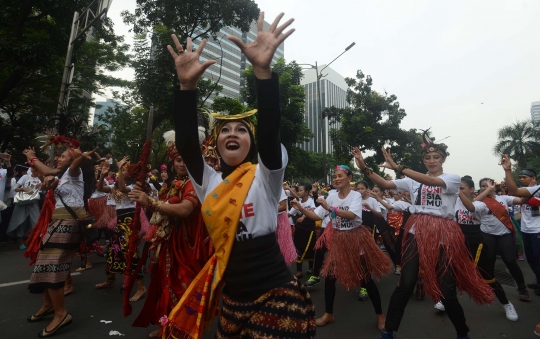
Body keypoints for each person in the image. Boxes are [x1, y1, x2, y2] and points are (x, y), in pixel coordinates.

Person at [162, 12, 315, 339]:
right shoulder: (210, 184)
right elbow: (188, 144)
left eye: (242, 130)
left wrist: (263, 72)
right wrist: (186, 88)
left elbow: (271, 135)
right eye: (225, 130)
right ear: (216, 145)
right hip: (232, 301)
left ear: (252, 143)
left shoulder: (266, 177)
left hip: (276, 296)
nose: (232, 133)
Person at [352, 132, 493, 339]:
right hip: (417, 230)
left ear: (443, 159)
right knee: (406, 283)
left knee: (447, 289)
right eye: (427, 158)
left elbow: (430, 180)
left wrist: (399, 168)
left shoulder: (452, 179)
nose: (432, 161)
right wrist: (364, 167)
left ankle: (462, 333)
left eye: (436, 157)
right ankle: (388, 330)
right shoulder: (412, 181)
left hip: (444, 233)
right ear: (423, 160)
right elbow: (385, 184)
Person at [129, 133, 211, 338]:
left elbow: (184, 209)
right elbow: (164, 200)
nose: (182, 164)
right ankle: (169, 325)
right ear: (173, 162)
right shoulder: (175, 183)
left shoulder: (195, 183)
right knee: (165, 287)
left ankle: (185, 330)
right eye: (178, 160)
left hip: (188, 245)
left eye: (186, 159)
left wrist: (151, 202)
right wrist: (146, 190)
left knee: (183, 288)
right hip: (169, 243)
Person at [291, 166, 391, 330]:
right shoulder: (331, 196)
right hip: (338, 240)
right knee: (330, 278)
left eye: (340, 176)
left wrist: (330, 209)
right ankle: (329, 314)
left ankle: (380, 316)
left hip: (355, 239)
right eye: (335, 176)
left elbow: (352, 215)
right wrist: (301, 209)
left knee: (365, 279)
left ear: (349, 177)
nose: (336, 179)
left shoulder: (355, 196)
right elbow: (316, 215)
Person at [24, 141, 97, 337]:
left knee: (53, 266)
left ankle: (61, 313)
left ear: (71, 160)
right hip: (58, 222)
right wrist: (47, 184)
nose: (59, 158)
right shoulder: (63, 176)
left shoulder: (74, 171)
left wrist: (33, 158)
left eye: (63, 156)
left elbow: (73, 163)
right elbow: (51, 180)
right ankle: (48, 305)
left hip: (67, 223)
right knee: (44, 263)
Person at [458, 178, 520, 321]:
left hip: (477, 244)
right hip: (458, 242)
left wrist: (487, 190)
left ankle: (506, 303)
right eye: (457, 188)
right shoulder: (453, 201)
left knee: (487, 276)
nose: (458, 191)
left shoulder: (483, 204)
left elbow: (471, 207)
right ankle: (444, 298)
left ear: (472, 190)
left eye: (461, 188)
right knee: (451, 271)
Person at [94, 157, 147, 302]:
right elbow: (99, 188)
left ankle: (141, 287)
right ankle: (110, 279)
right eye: (121, 169)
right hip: (120, 221)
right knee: (113, 249)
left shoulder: (134, 186)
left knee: (131, 254)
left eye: (124, 170)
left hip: (130, 222)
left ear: (130, 173)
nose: (121, 172)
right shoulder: (114, 186)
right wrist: (103, 176)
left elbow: (122, 188)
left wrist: (118, 170)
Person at [7, 164, 42, 249]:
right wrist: (23, 189)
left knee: (36, 221)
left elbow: (44, 191)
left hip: (34, 202)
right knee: (21, 221)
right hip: (23, 202)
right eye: (34, 169)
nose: (36, 171)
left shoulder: (41, 179)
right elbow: (14, 188)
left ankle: (35, 240)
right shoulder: (25, 177)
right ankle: (20, 240)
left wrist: (41, 185)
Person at [289, 183, 317, 278]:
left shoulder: (311, 201)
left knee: (310, 247)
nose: (299, 192)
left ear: (306, 192)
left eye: (301, 190)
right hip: (300, 228)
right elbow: (290, 213)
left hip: (309, 228)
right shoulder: (298, 202)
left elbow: (312, 210)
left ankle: (310, 267)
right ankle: (299, 270)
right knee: (298, 248)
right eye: (298, 190)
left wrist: (304, 217)